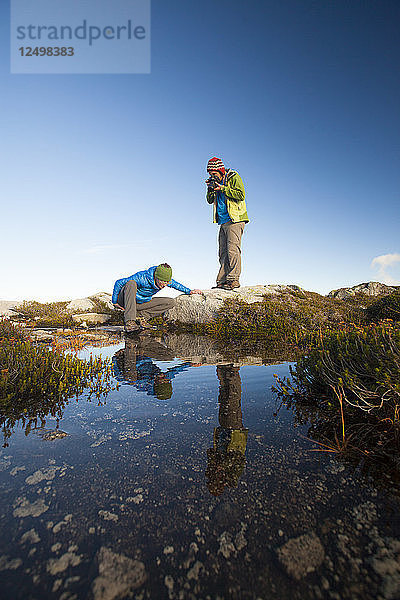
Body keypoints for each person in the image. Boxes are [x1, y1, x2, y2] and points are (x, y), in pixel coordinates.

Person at [112, 263, 202, 333]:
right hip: (126, 300)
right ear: (156, 277)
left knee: (171, 302)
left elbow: (177, 285)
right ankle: (130, 322)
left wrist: (189, 291)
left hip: (140, 303)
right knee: (131, 283)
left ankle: (141, 317)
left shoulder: (166, 281)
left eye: (167, 282)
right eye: (162, 282)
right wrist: (115, 301)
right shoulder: (142, 277)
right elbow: (119, 283)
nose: (164, 285)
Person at [206, 157, 249, 290]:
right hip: (223, 221)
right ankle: (222, 281)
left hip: (235, 219)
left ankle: (233, 280)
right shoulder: (215, 183)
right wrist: (210, 189)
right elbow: (209, 200)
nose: (213, 177)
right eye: (210, 174)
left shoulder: (233, 177)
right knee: (223, 252)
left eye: (214, 174)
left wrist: (223, 188)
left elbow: (241, 195)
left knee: (232, 250)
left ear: (220, 170)